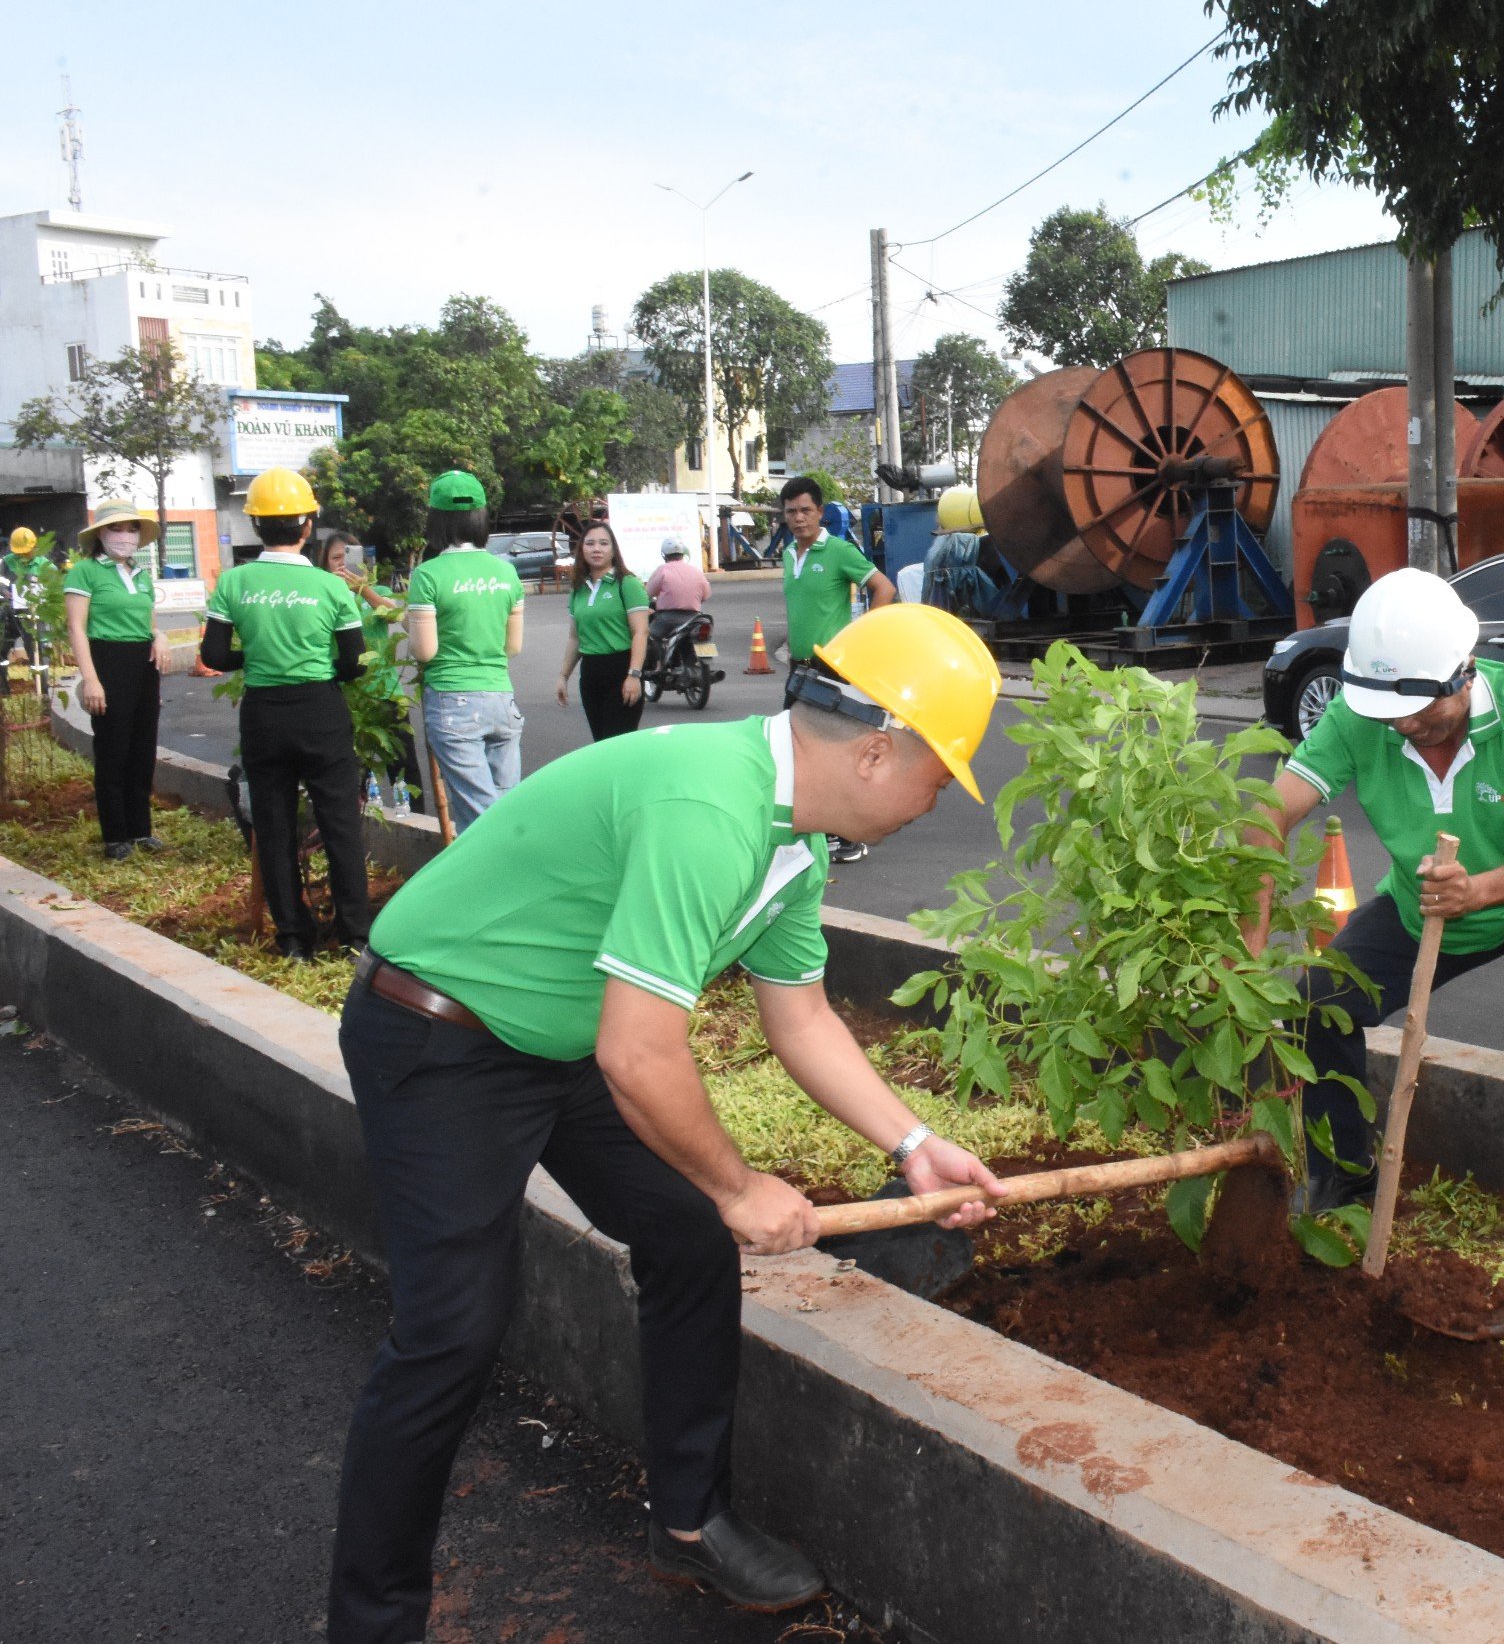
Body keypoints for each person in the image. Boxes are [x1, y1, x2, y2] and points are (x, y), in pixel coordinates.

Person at [329, 603, 1010, 1643]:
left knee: (686, 1241)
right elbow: (640, 1055)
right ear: (878, 751)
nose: (933, 802)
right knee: (452, 1330)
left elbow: (802, 1017)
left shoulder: (795, 841)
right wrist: (741, 1188)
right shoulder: (712, 807)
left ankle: (688, 1526)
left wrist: (913, 1147)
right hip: (442, 1032)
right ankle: (372, 1624)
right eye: (940, 775)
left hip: (561, 1041)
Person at [1243, 568, 1504, 1211]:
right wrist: (1250, 942)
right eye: (1391, 713)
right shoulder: (1360, 715)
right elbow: (1267, 816)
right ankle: (1344, 1173)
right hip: (1421, 904)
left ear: (1464, 671)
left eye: (1420, 710)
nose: (1404, 726)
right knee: (1318, 1006)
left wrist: (1481, 890)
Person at [197, 470, 372, 960]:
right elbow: (353, 660)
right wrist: (321, 670)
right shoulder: (331, 587)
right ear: (308, 523)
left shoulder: (234, 581)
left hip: (264, 714)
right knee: (339, 822)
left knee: (272, 826)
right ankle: (355, 935)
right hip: (320, 709)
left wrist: (256, 657)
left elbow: (213, 655)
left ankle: (294, 938)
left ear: (255, 524)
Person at [403, 471, 525, 832]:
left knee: (480, 819)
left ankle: (502, 879)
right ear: (480, 516)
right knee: (506, 805)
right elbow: (513, 647)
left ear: (435, 519)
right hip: (501, 699)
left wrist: (411, 625)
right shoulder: (506, 573)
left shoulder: (428, 575)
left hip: (454, 703)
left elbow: (425, 652)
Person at [62, 502, 172, 859]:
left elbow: (149, 622)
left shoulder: (140, 574)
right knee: (113, 749)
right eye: (117, 529)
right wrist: (90, 679)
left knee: (143, 748)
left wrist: (160, 636)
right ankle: (116, 835)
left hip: (143, 665)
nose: (125, 536)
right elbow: (77, 628)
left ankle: (141, 830)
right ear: (100, 535)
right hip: (108, 662)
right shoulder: (85, 572)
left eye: (131, 530)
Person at [312, 528, 421, 804]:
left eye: (347, 557)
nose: (341, 563)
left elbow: (395, 615)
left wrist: (363, 589)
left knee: (403, 764)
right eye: (335, 558)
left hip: (385, 692)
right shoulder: (318, 595)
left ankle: (415, 815)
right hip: (345, 692)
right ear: (324, 563)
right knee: (352, 768)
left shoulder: (378, 591)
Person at [777, 476, 894, 669]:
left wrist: (862, 637)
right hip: (797, 666)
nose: (799, 518)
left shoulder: (840, 551)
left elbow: (885, 588)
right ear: (785, 515)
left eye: (806, 510)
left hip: (832, 667)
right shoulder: (788, 553)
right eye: (792, 511)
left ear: (820, 512)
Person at [558, 521, 651, 741]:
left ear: (613, 550)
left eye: (603, 543)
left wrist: (634, 675)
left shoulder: (627, 584)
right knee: (600, 744)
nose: (596, 549)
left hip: (622, 670)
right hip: (591, 673)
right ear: (582, 549)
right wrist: (563, 676)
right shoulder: (578, 588)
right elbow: (575, 637)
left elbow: (641, 633)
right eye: (590, 543)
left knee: (618, 745)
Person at [4, 525, 47, 662]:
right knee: (3, 645)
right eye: (19, 552)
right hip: (10, 613)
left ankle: (42, 681)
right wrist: (4, 591)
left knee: (35, 646)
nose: (22, 555)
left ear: (34, 547)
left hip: (34, 614)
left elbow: (55, 587)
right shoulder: (5, 563)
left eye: (26, 552)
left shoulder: (43, 564)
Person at [644, 534, 712, 616]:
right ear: (683, 554)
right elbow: (706, 595)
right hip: (694, 617)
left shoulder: (662, 570)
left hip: (667, 618)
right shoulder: (696, 571)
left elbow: (648, 593)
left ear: (664, 555)